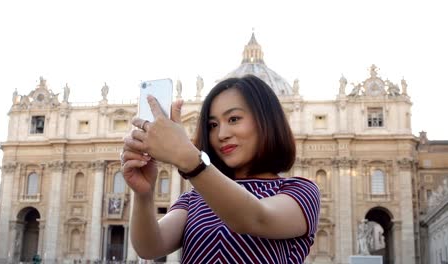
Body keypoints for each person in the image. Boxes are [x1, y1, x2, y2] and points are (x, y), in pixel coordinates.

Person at [121, 74, 321, 263]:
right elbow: (150, 247)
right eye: (212, 125)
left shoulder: (300, 192)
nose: (221, 134)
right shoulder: (194, 198)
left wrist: (189, 159)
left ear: (266, 121)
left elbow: (254, 218)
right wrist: (144, 195)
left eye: (233, 119)